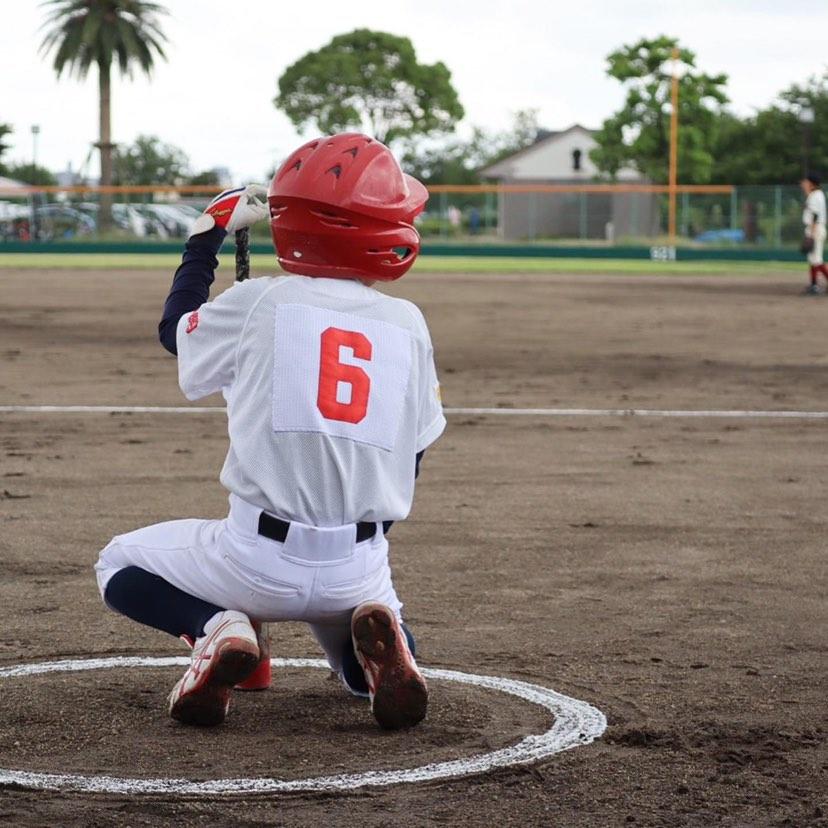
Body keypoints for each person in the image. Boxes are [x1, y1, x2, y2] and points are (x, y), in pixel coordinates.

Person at [94, 133, 445, 731]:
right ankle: (376, 650)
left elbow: (174, 330)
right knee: (356, 619)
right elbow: (414, 453)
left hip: (254, 559)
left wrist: (206, 237)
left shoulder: (259, 301)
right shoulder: (407, 322)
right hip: (356, 559)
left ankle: (218, 628)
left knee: (118, 562)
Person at [800, 173, 827, 295]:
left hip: (815, 229)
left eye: (805, 182)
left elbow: (815, 216)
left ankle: (815, 286)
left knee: (817, 259)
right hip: (814, 228)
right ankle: (814, 285)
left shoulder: (816, 195)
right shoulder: (815, 194)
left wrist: (811, 233)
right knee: (813, 259)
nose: (803, 183)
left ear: (811, 183)